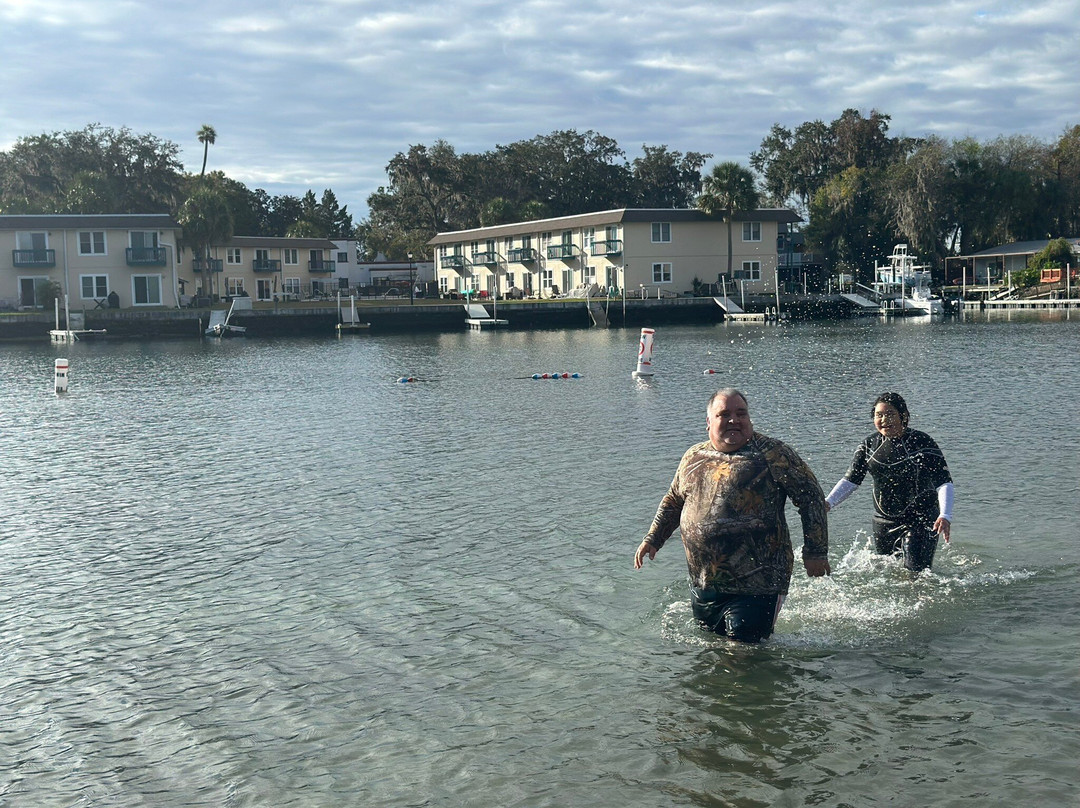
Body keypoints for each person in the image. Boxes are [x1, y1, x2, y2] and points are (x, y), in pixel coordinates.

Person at [634, 389, 830, 643]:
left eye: (741, 414)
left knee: (741, 655)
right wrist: (653, 538)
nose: (733, 420)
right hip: (704, 581)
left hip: (759, 581)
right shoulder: (694, 457)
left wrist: (816, 551)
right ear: (708, 422)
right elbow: (674, 501)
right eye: (724, 414)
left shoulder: (773, 454)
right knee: (712, 648)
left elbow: (811, 497)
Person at [825, 392, 953, 573]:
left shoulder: (922, 442)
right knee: (888, 574)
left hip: (921, 520)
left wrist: (945, 515)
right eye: (879, 415)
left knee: (914, 575)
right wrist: (828, 503)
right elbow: (851, 480)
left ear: (904, 416)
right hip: (883, 522)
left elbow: (944, 482)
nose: (884, 420)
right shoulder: (869, 445)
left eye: (890, 414)